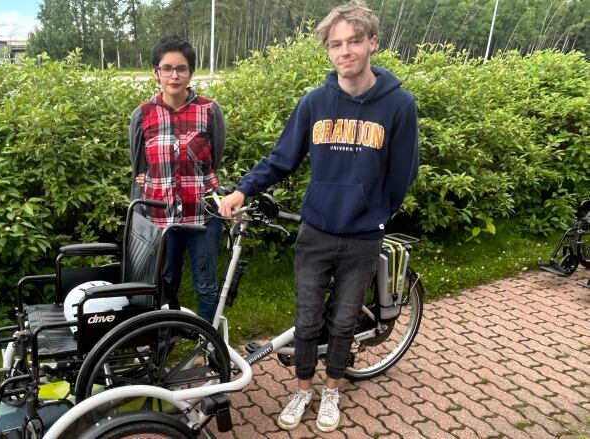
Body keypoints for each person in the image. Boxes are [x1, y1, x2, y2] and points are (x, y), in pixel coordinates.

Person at [219, 0, 419, 432]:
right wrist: (242, 190)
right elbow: (281, 158)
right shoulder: (314, 102)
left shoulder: (399, 104)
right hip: (317, 231)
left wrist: (377, 214)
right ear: (328, 51)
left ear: (372, 44)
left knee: (343, 320)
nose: (344, 51)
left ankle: (332, 392)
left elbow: (403, 173)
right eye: (335, 44)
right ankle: (302, 388)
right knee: (307, 319)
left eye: (352, 42)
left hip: (364, 236)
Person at [130, 35, 226, 322]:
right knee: (165, 283)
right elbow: (139, 167)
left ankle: (208, 343)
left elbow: (215, 158)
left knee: (206, 285)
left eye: (181, 68)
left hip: (203, 216)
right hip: (161, 220)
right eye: (167, 68)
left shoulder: (209, 110)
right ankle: (163, 344)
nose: (174, 75)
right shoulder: (142, 114)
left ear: (191, 72)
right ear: (155, 73)